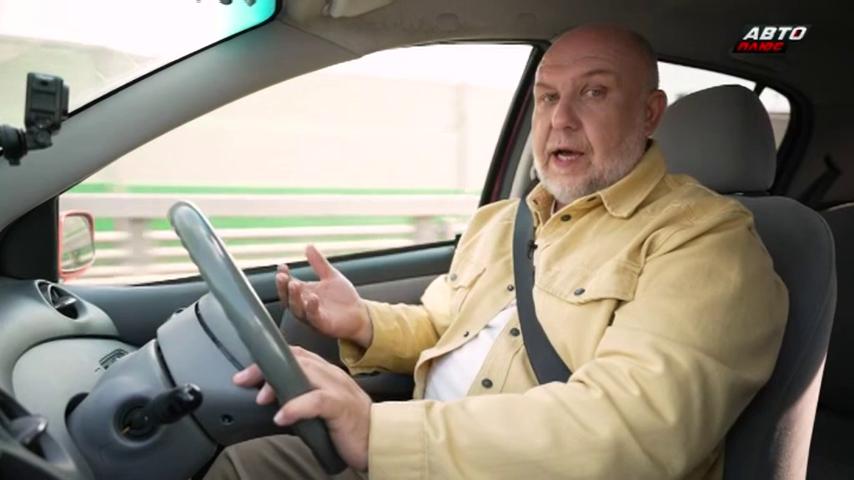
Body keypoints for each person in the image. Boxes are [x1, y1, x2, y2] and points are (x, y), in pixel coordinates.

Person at [204, 24, 788, 480]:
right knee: (243, 465)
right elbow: (445, 325)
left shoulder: (706, 244)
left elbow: (633, 428)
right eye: (547, 96)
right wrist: (363, 321)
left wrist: (380, 434)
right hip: (418, 455)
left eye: (594, 92)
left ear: (649, 113)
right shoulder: (504, 222)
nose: (561, 119)